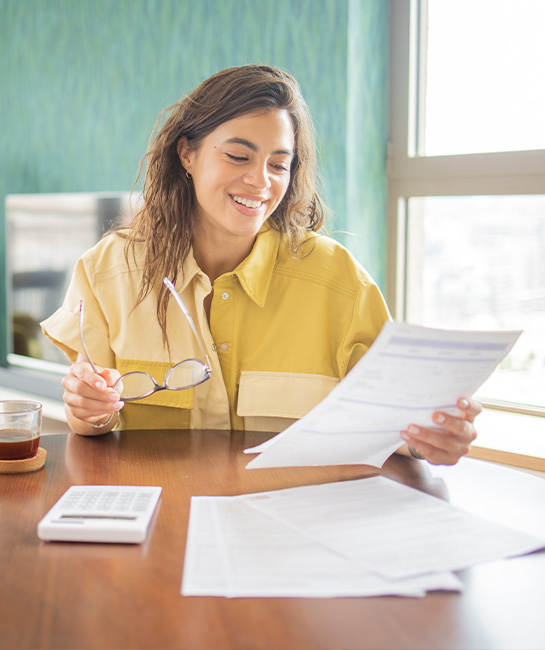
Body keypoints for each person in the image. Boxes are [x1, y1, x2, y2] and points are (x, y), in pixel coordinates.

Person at [41, 64, 480, 465]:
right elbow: (92, 423)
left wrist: (428, 438)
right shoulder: (106, 272)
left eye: (279, 164)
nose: (261, 181)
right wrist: (89, 411)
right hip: (159, 521)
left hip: (291, 524)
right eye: (238, 156)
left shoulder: (339, 281)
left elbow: (390, 423)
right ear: (187, 154)